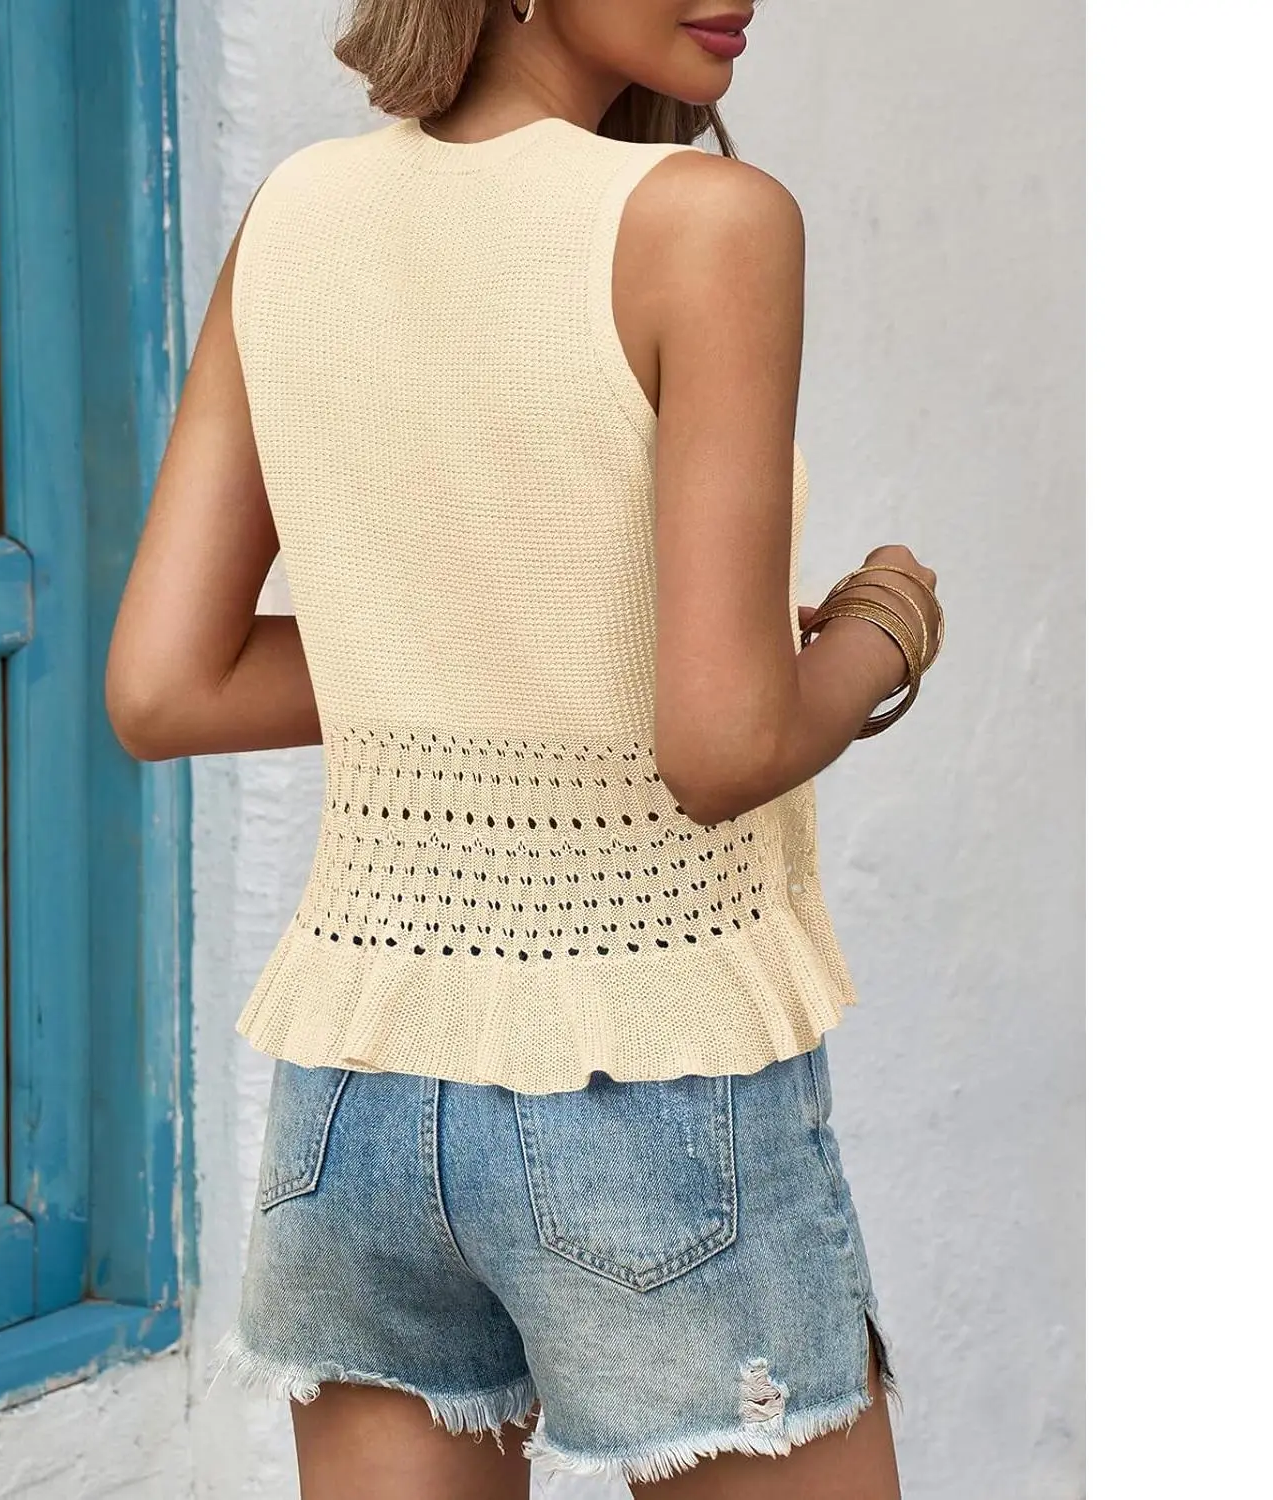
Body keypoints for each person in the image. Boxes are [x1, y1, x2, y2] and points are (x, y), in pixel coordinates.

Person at [106, 1, 943, 1494]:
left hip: (356, 1090)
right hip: (645, 1065)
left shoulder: (292, 216)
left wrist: (468, 663)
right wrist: (885, 627)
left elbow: (170, 686)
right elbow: (724, 744)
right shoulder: (709, 222)